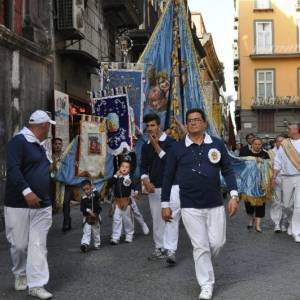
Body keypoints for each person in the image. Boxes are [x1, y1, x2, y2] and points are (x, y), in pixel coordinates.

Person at [161, 108, 239, 300]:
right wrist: (165, 203)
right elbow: (168, 176)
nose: (193, 123)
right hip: (189, 205)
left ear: (205, 123)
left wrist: (234, 195)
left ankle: (204, 262)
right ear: (186, 125)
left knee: (217, 242)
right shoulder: (177, 148)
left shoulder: (217, 144)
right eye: (190, 120)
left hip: (215, 204)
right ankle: (206, 284)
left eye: (197, 120)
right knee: (200, 247)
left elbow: (228, 170)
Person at [5, 110, 56, 299]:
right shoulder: (18, 142)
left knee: (38, 245)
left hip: (43, 205)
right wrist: (27, 191)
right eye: (48, 125)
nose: (49, 128)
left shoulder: (41, 146)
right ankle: (19, 274)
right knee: (18, 245)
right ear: (43, 126)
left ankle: (36, 284)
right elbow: (12, 168)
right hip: (18, 204)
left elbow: (38, 168)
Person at [140, 113, 174, 260]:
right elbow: (143, 167)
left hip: (170, 186)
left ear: (159, 125)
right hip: (154, 187)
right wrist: (145, 180)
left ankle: (170, 248)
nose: (149, 128)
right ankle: (159, 247)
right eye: (147, 126)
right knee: (156, 218)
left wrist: (156, 145)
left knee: (170, 218)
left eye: (152, 125)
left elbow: (170, 163)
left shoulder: (170, 142)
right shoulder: (145, 146)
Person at [113, 147, 150, 235]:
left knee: (135, 211)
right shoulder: (117, 172)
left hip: (129, 196)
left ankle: (143, 224)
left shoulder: (130, 175)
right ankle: (118, 233)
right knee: (118, 215)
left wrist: (136, 191)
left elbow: (133, 183)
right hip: (118, 197)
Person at [274, 122, 300, 242]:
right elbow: (278, 160)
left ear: (296, 130)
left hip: (299, 176)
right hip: (286, 177)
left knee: (298, 206)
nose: (287, 130)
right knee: (287, 205)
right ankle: (289, 222)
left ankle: (296, 232)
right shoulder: (284, 144)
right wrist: (274, 176)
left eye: (289, 128)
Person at [242, 137, 270, 232]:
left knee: (260, 204)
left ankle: (258, 225)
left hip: (261, 183)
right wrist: (253, 160)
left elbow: (270, 166)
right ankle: (251, 219)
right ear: (252, 144)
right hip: (249, 183)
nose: (257, 146)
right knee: (248, 204)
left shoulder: (265, 154)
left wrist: (263, 162)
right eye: (256, 144)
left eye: (259, 144)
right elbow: (242, 165)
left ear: (261, 145)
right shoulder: (246, 154)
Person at [110, 158, 137, 244]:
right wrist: (115, 176)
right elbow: (110, 183)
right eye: (122, 166)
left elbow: (134, 186)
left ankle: (129, 235)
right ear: (119, 167)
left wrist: (136, 191)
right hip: (117, 201)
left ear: (129, 169)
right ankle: (115, 237)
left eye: (127, 167)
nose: (124, 168)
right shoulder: (117, 177)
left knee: (127, 219)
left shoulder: (130, 178)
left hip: (126, 201)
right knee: (116, 219)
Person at [269, 135, 287, 233]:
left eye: (282, 141)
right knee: (277, 202)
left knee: (287, 203)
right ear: (275, 142)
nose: (281, 143)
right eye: (279, 141)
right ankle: (277, 223)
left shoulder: (289, 151)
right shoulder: (271, 153)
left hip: (288, 180)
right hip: (276, 180)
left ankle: (284, 221)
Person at [80, 179, 102, 252]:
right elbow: (82, 208)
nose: (86, 191)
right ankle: (84, 244)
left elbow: (99, 196)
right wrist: (88, 210)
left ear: (91, 187)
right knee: (86, 230)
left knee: (96, 230)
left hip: (96, 216)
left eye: (88, 189)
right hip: (87, 217)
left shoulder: (95, 195)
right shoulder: (83, 198)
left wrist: (94, 189)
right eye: (84, 190)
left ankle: (97, 243)